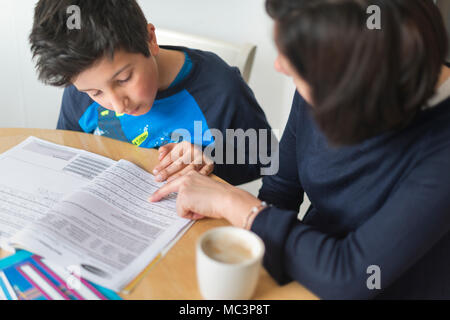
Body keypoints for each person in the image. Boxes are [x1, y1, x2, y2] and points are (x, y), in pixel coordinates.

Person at [150, 0, 450, 299]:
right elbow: (281, 189)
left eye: (297, 61)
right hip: (307, 270)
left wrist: (234, 204)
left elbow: (350, 275)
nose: (280, 65)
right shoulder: (328, 76)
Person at [29, 0, 276, 186]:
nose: (117, 105)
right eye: (95, 92)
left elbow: (266, 159)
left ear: (150, 39)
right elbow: (66, 153)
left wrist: (208, 162)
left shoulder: (221, 90)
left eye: (124, 79)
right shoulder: (79, 94)